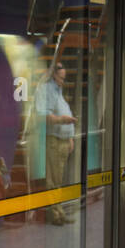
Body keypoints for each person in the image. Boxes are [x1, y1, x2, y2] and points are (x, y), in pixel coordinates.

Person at [35, 60, 78, 224]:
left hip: (63, 140)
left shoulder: (58, 90)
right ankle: (55, 214)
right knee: (53, 180)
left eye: (64, 79)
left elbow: (64, 111)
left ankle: (59, 211)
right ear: (54, 74)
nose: (63, 82)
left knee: (58, 180)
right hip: (54, 140)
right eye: (61, 79)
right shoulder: (46, 90)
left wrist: (70, 137)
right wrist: (61, 120)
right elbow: (42, 115)